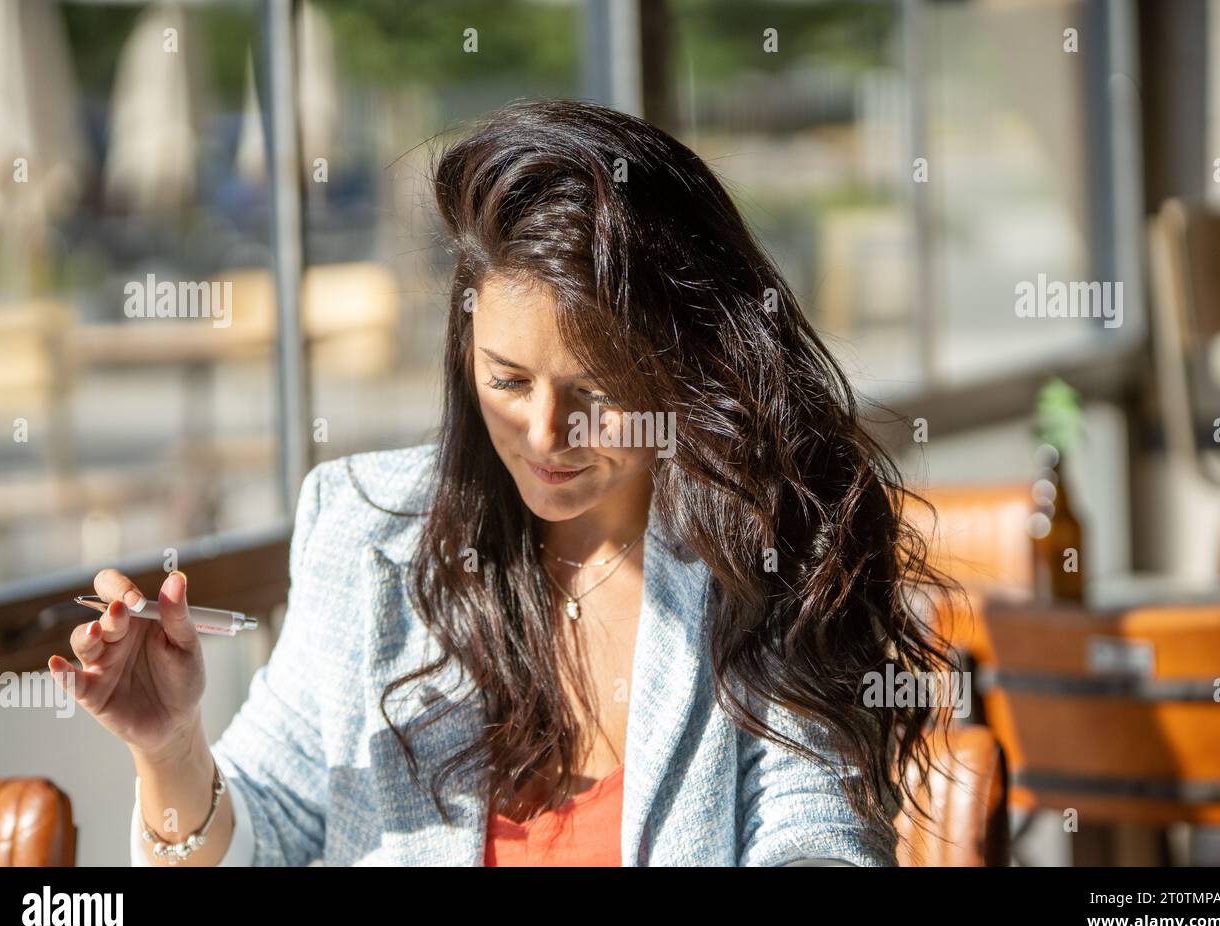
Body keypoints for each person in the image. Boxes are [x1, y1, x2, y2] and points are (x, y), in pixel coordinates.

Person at [51, 99, 957, 866]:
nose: (544, 433)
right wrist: (169, 749)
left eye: (595, 393)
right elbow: (273, 827)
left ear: (683, 367)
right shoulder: (369, 533)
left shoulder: (759, 551)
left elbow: (815, 839)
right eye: (508, 380)